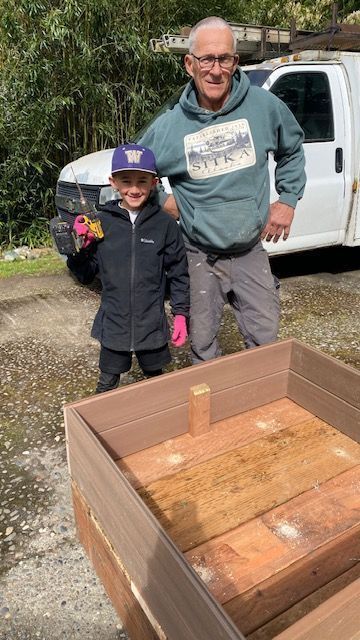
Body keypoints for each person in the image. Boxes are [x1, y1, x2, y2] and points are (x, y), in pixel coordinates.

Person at [139, 16, 306, 363]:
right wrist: (162, 200)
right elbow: (135, 172)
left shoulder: (263, 107)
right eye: (206, 59)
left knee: (265, 339)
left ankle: (258, 407)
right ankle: (211, 413)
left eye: (224, 58)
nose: (216, 70)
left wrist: (287, 200)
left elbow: (292, 148)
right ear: (190, 64)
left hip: (250, 250)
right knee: (201, 344)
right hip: (199, 255)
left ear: (235, 61)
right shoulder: (170, 127)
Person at [67, 143, 190, 393]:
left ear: (154, 182)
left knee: (156, 384)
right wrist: (79, 247)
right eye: (126, 181)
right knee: (107, 385)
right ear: (113, 182)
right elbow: (85, 274)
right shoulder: (100, 223)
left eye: (142, 181)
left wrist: (181, 314)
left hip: (151, 324)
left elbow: (179, 273)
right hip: (114, 324)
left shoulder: (165, 225)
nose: (134, 189)